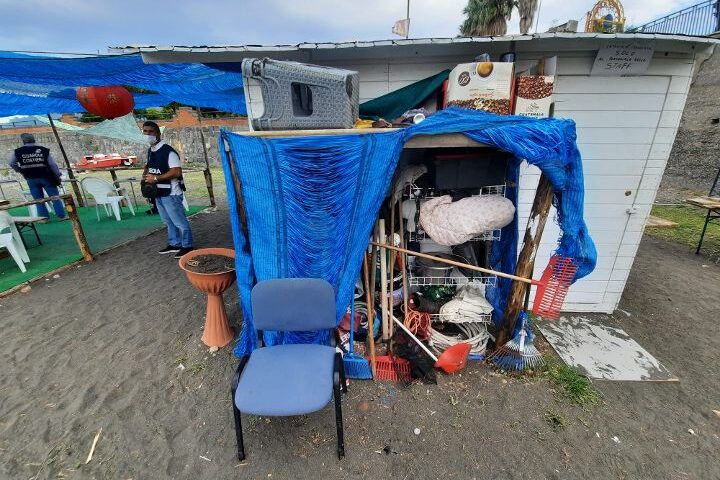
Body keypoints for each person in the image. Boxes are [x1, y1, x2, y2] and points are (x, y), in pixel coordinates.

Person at [141, 121, 193, 258]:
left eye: (150, 132)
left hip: (171, 193)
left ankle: (187, 246)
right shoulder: (150, 151)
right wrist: (145, 178)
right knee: (168, 221)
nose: (147, 134)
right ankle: (174, 244)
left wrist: (156, 179)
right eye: (144, 131)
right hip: (158, 192)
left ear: (158, 133)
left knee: (179, 222)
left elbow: (176, 172)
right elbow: (148, 167)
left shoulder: (168, 152)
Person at [8, 133, 67, 220]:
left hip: (30, 178)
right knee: (55, 197)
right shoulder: (43, 150)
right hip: (46, 177)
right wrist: (58, 174)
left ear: (23, 141)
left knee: (38, 200)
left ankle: (43, 218)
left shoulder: (17, 151)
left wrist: (20, 170)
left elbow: (11, 163)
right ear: (34, 140)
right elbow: (52, 164)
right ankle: (61, 216)